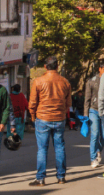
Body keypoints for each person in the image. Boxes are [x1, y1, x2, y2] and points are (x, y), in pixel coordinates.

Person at [27, 56, 71, 186]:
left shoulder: (38, 81)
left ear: (45, 67)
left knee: (42, 149)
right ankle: (61, 177)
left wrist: (33, 115)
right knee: (60, 147)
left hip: (43, 117)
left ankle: (40, 178)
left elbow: (33, 102)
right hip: (59, 118)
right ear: (57, 66)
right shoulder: (65, 82)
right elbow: (68, 103)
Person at [84, 62, 104, 168]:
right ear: (100, 69)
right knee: (95, 134)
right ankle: (93, 159)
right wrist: (85, 114)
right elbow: (87, 99)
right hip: (93, 110)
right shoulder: (92, 81)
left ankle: (98, 150)